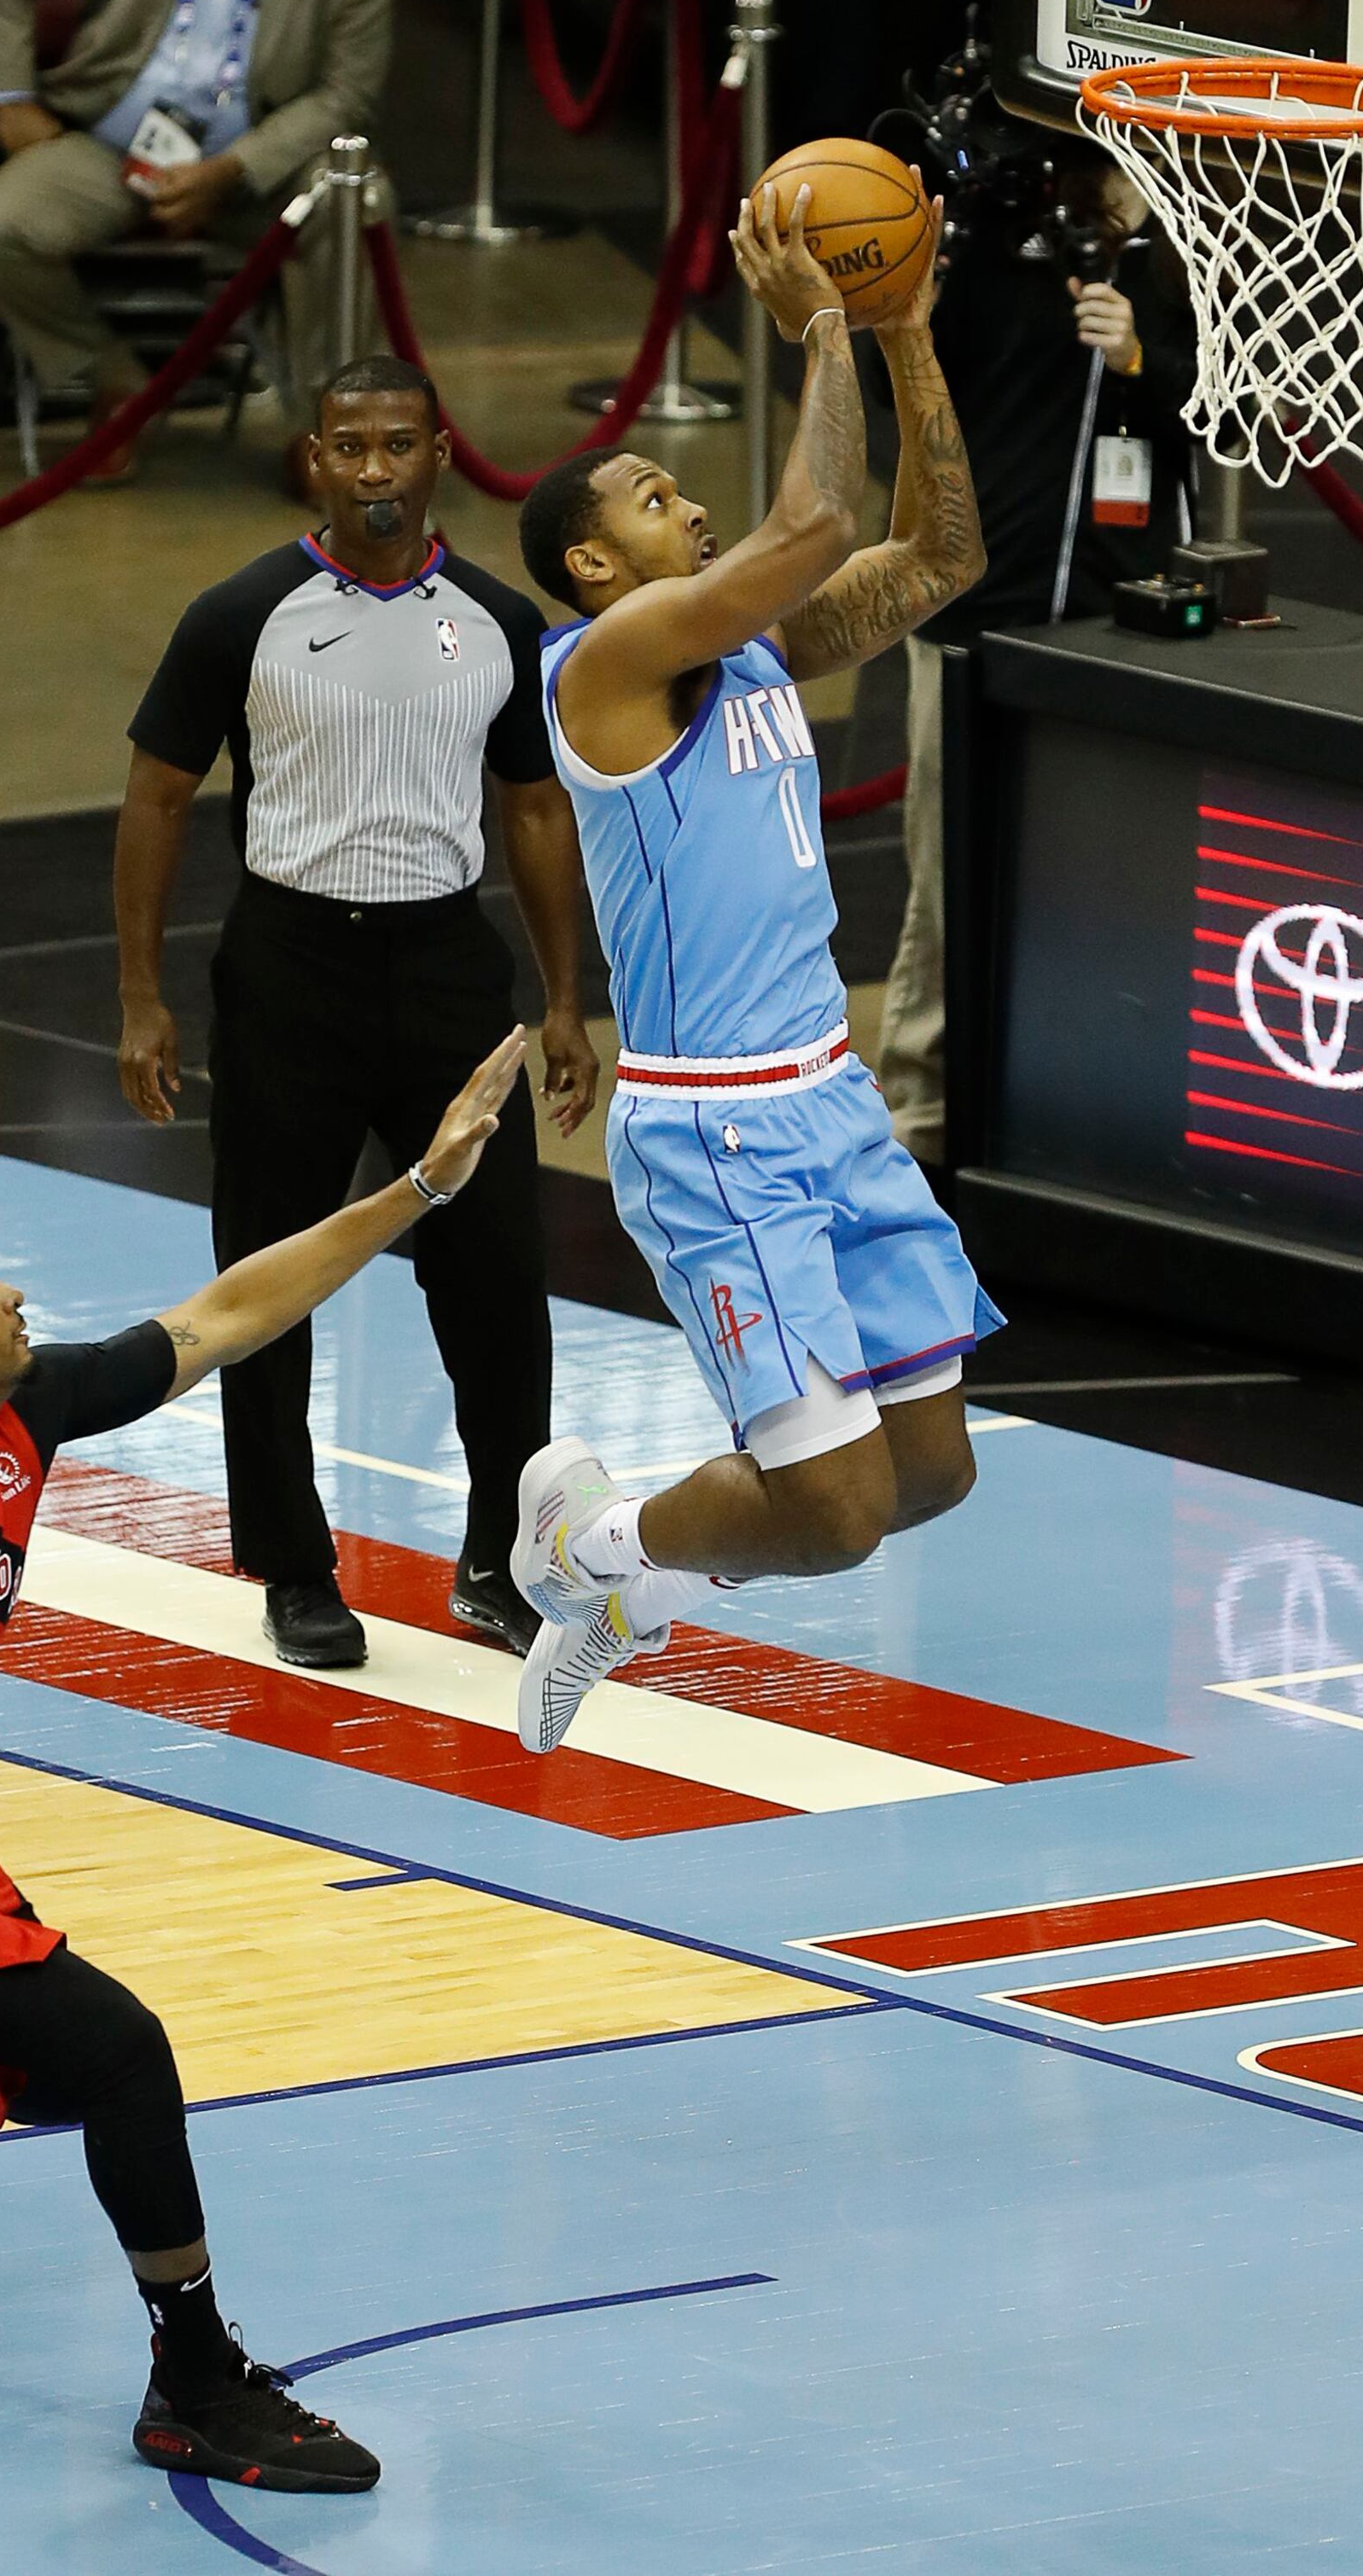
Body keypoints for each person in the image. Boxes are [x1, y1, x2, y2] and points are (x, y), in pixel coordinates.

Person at [0, 1031, 523, 2493]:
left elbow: (231, 1307)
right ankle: (191, 2377)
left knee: (75, 2070)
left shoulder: (26, 1410)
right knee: (119, 2057)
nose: (12, 1287)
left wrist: (419, 1191)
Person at [506, 177, 995, 1754]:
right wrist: (825, 327)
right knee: (838, 1509)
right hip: (715, 1130)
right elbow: (817, 525)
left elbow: (939, 554)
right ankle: (594, 1549)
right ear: (590, 566)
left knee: (934, 1477)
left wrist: (909, 332)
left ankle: (631, 1569)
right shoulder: (599, 671)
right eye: (652, 498)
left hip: (830, 1101)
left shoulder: (755, 653)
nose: (689, 509)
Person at [116, 355, 597, 1668]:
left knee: (499, 1274)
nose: (375, 469)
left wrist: (566, 1000)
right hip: (288, 969)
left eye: (397, 445)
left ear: (440, 452)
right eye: (350, 447)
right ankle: (293, 1564)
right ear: (315, 461)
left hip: (449, 967)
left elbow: (537, 808)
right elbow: (158, 798)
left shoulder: (498, 620)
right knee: (269, 1276)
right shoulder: (242, 613)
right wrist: (142, 996)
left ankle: (503, 1558)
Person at [877, 143, 1199, 1166]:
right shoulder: (990, 232)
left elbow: (1227, 409)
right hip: (975, 599)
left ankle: (1088, 1106)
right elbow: (915, 392)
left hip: (1122, 610)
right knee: (945, 867)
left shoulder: (1189, 248)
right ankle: (916, 1114)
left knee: (1105, 872)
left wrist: (1142, 361)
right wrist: (900, 319)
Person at [0, 0, 401, 486]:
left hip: (263, 164)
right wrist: (10, 96)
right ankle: (115, 382)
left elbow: (345, 94)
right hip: (109, 143)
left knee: (354, 201)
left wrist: (232, 170)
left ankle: (329, 430)